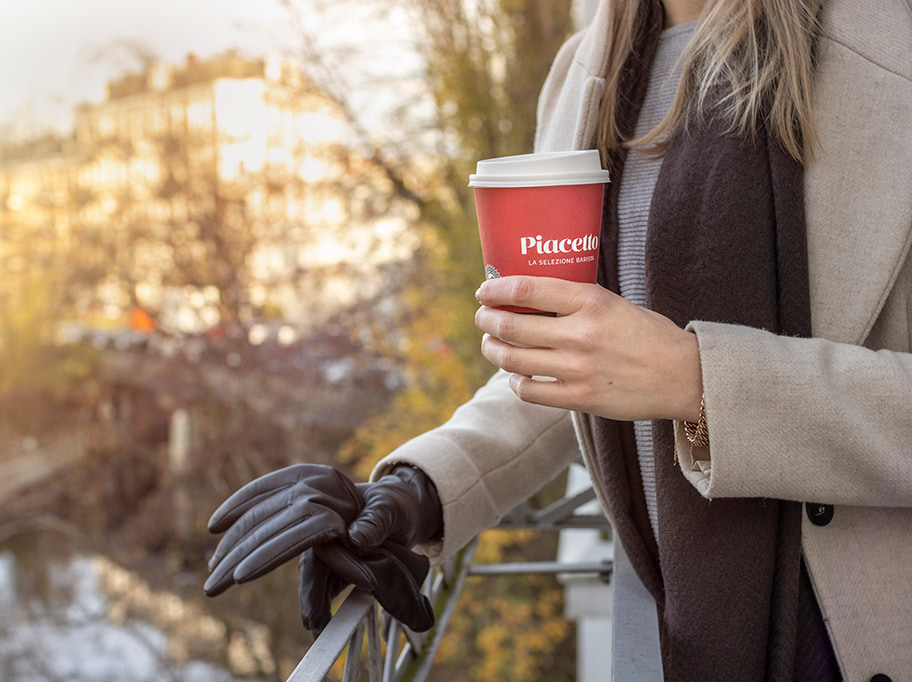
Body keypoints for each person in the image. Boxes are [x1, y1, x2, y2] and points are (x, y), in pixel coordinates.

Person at [205, 0, 912, 678]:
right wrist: (422, 488)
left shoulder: (888, 44)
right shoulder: (584, 75)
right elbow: (573, 359)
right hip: (661, 626)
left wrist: (699, 382)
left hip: (856, 635)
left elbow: (643, 368)